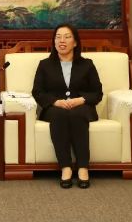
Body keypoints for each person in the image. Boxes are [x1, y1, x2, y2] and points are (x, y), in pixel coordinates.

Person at [32, 23, 103, 189]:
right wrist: (55, 102)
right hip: (54, 108)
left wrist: (81, 100)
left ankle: (83, 167)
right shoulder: (45, 65)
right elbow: (38, 92)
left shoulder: (87, 65)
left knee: (76, 114)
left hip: (82, 107)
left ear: (75, 42)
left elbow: (97, 93)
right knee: (60, 114)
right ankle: (65, 167)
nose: (61, 41)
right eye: (58, 37)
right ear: (54, 42)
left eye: (67, 37)